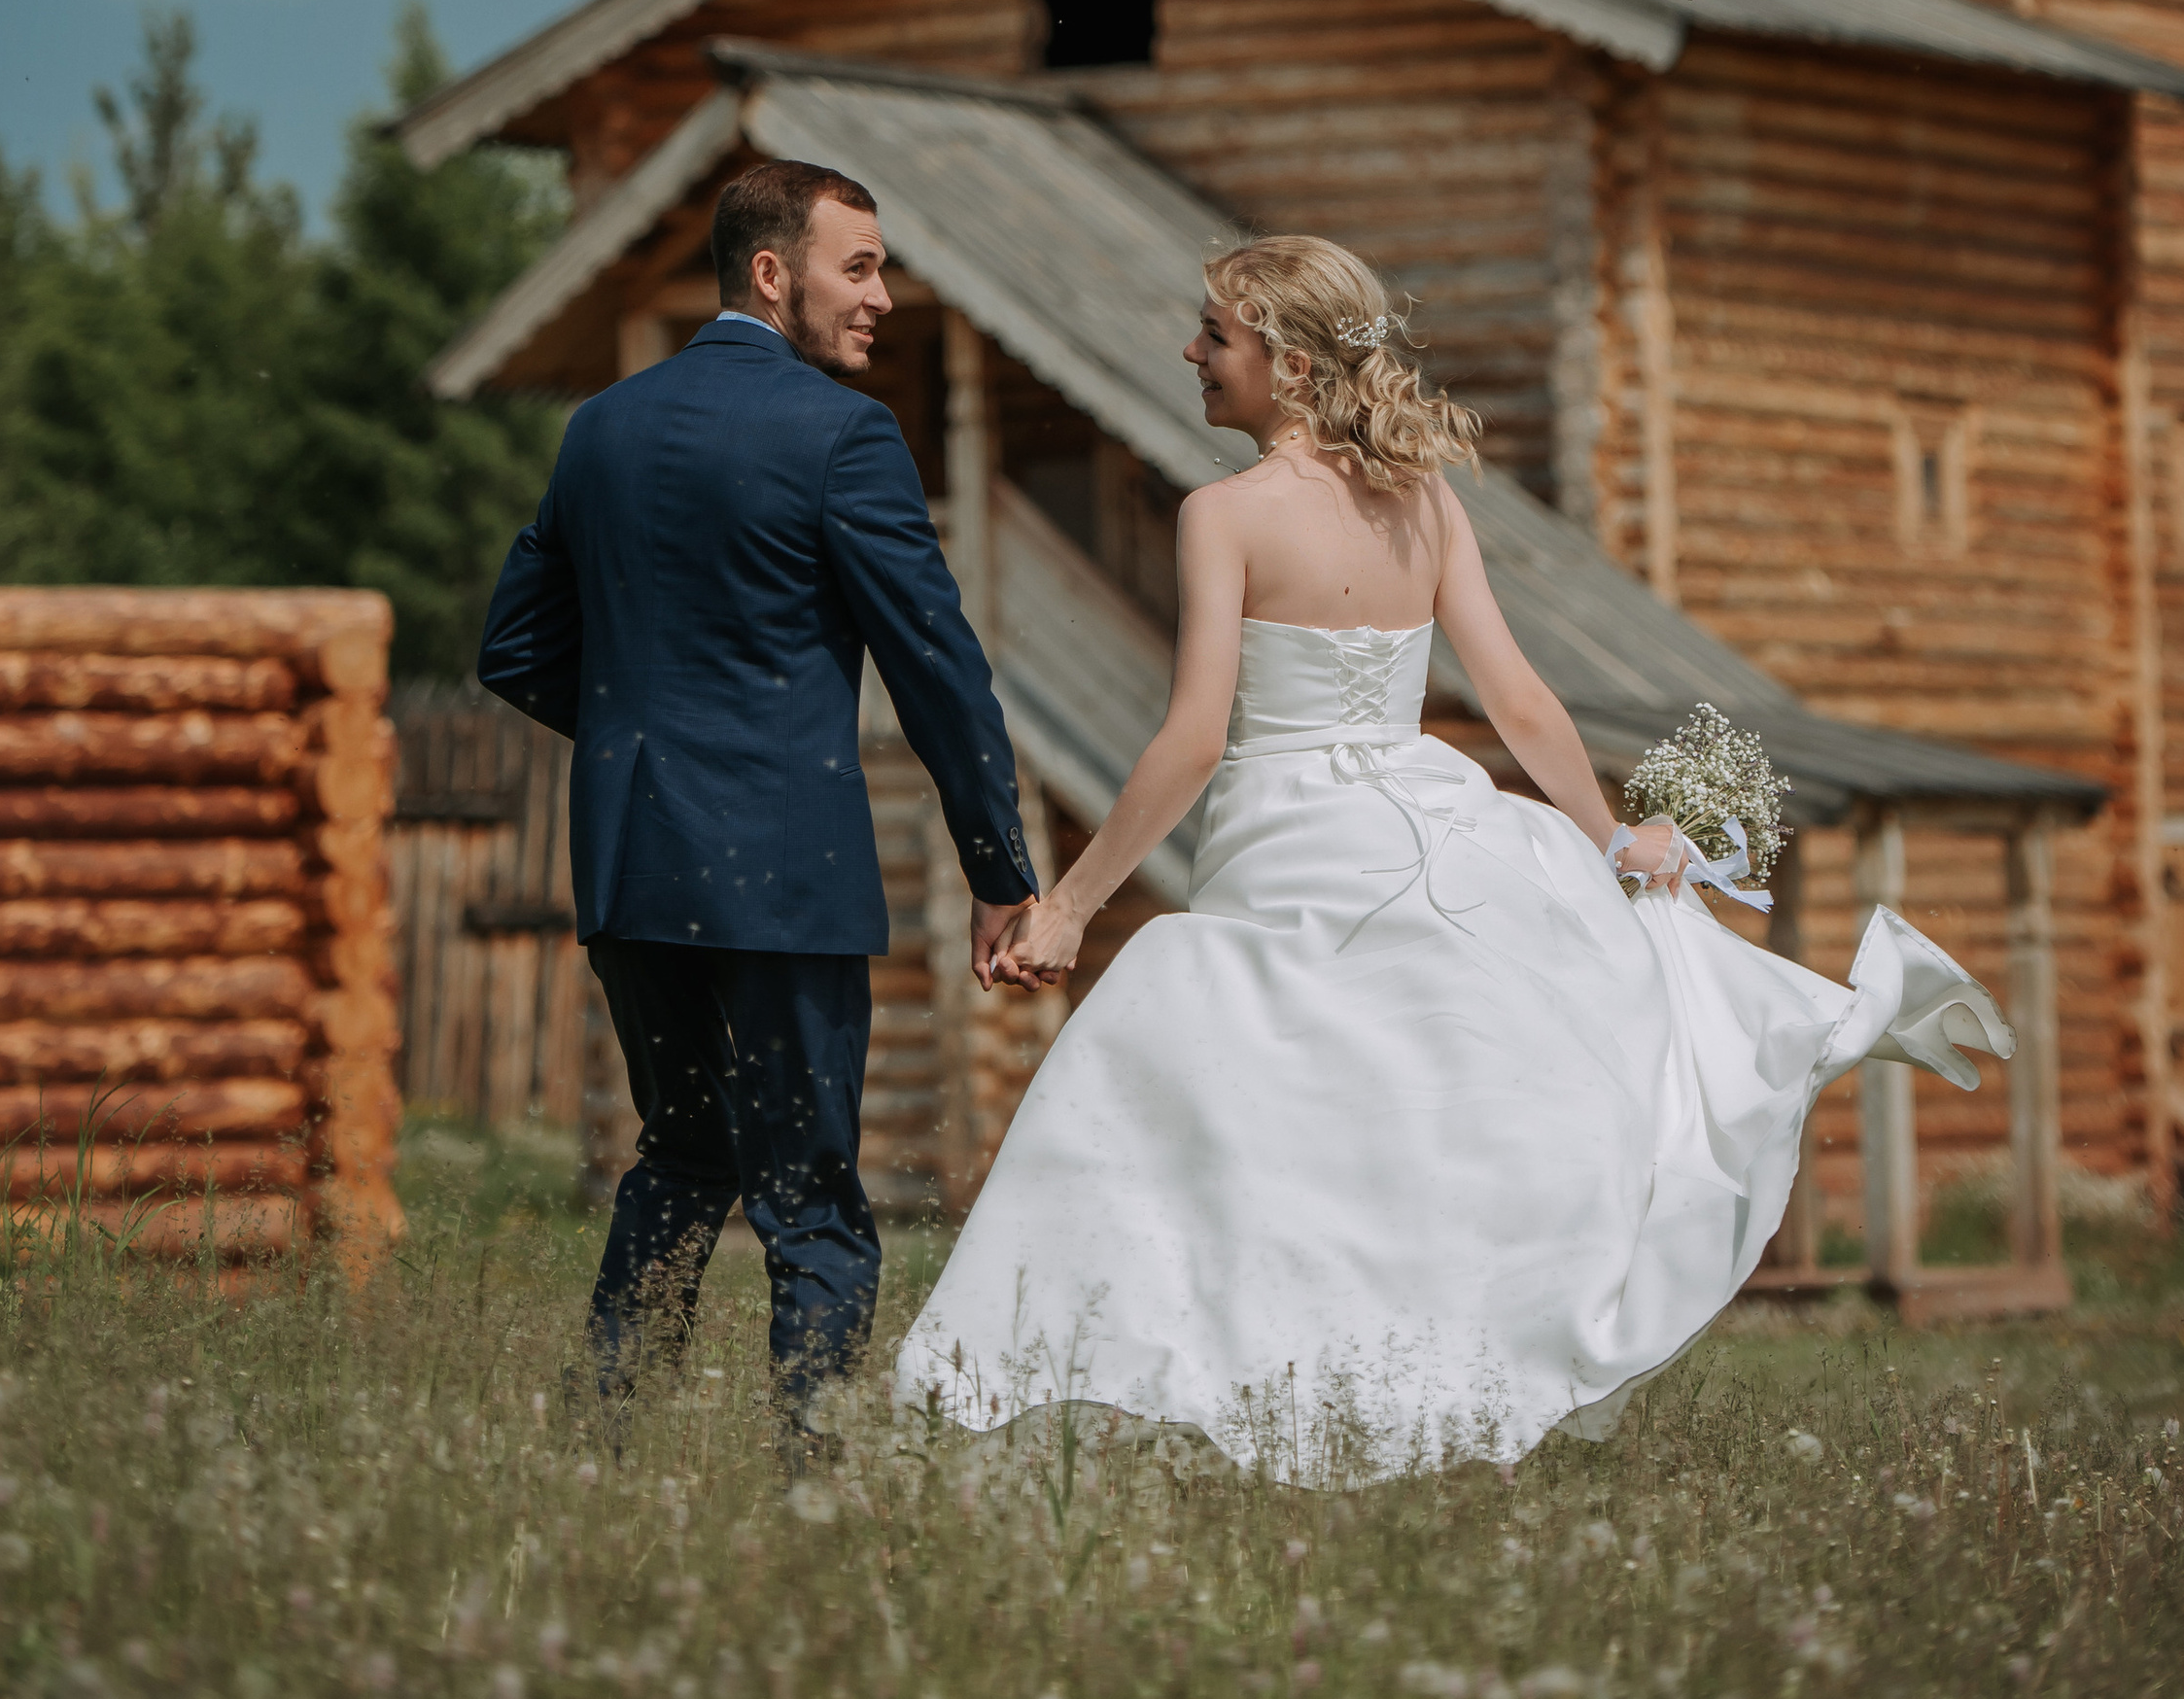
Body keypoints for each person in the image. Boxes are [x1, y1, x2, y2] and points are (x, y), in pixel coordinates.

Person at [893, 232, 2009, 1474]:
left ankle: (1061, 1367)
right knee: (1403, 1113)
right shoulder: (1423, 502)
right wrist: (1607, 839)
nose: (1193, 352)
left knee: (1207, 1060)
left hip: (1298, 837)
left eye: (1218, 334)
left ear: (1294, 365)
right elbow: (1520, 702)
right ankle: (1358, 1371)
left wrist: (1074, 907)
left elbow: (1197, 740)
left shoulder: (1225, 516)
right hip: (1427, 811)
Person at [479, 159, 1036, 1429]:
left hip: (631, 858)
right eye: (861, 266)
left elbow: (513, 648)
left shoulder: (601, 426)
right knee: (809, 1192)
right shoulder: (846, 434)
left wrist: (644, 736)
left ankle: (604, 1445)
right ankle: (813, 1486)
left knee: (677, 1158)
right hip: (783, 876)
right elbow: (937, 665)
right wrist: (999, 868)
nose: (884, 296)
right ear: (771, 273)